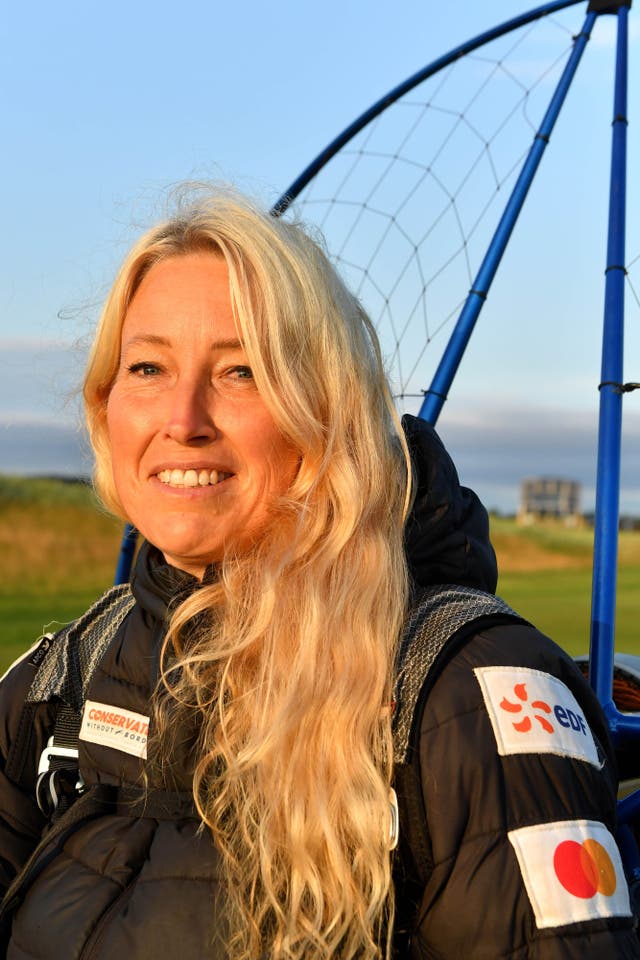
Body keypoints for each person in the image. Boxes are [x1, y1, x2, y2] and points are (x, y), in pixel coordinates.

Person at [0, 188, 638, 960]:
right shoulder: (70, 674)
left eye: (242, 371)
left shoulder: (464, 691)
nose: (183, 418)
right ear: (105, 407)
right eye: (147, 367)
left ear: (327, 405)